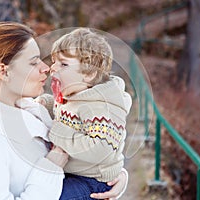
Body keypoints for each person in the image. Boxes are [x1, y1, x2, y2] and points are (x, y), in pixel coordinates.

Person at [0, 21, 127, 200]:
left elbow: (90, 145)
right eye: (33, 62)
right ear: (4, 72)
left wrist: (115, 175)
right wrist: (51, 168)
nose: (46, 68)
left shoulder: (32, 109)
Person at [26, 28, 132, 199]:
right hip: (72, 172)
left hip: (92, 181)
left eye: (64, 64)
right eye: (54, 62)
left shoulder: (102, 109)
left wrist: (57, 130)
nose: (53, 68)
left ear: (89, 74)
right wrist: (47, 103)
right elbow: (72, 113)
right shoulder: (75, 95)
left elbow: (99, 149)